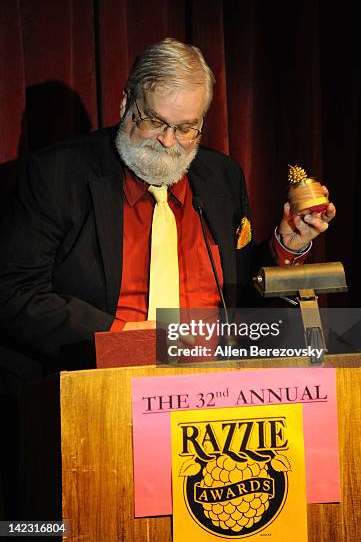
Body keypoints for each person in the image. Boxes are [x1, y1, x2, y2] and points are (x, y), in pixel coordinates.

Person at [0, 38, 335, 373]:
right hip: (100, 389)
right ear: (126, 104)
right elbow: (14, 294)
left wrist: (286, 243)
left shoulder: (222, 177)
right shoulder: (59, 175)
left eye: (186, 128)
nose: (168, 140)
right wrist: (121, 340)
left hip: (211, 394)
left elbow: (242, 302)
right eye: (155, 122)